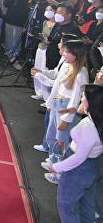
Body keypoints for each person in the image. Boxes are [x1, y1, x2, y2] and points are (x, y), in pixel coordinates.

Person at [47, 84, 103, 222]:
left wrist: (57, 167)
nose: (81, 99)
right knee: (87, 204)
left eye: (84, 97)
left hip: (79, 170)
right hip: (92, 168)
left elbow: (80, 157)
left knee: (66, 205)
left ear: (92, 102)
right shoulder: (96, 121)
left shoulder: (90, 126)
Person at [44, 40, 88, 184]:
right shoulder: (68, 67)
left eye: (68, 51)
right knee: (53, 137)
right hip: (58, 103)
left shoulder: (81, 73)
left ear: (76, 54)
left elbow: (76, 99)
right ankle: (54, 164)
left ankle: (61, 174)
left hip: (66, 108)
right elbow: (57, 86)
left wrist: (66, 119)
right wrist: (50, 103)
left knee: (63, 143)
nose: (64, 53)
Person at [3, 0, 30, 69]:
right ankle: (9, 51)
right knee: (9, 36)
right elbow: (6, 4)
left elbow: (24, 10)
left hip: (18, 23)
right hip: (9, 20)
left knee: (16, 38)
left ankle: (16, 53)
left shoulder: (25, 0)